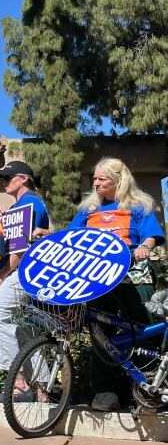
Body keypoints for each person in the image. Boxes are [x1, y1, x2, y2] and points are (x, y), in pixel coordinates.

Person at [67, 157, 165, 412]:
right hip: (98, 279)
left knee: (144, 329)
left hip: (133, 275)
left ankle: (151, 389)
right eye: (95, 179)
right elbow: (69, 236)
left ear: (118, 181)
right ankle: (105, 392)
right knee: (100, 332)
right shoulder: (88, 209)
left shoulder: (139, 206)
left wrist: (144, 246)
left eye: (102, 179)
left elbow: (152, 235)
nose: (96, 184)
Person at [0, 161, 50, 403]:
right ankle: (42, 390)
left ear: (23, 178)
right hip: (34, 274)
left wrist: (1, 274)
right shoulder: (25, 205)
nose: (2, 181)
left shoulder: (29, 203)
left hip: (24, 272)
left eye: (7, 177)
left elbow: (22, 247)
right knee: (25, 331)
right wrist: (4, 219)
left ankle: (19, 384)